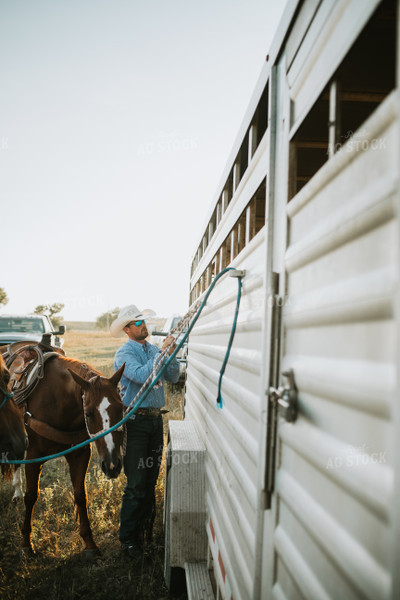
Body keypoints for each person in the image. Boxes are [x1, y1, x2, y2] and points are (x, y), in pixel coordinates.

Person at [110, 304, 180, 561]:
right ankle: (128, 539)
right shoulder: (124, 353)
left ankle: (143, 531)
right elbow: (143, 376)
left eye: (142, 321)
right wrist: (161, 354)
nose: (142, 325)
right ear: (127, 330)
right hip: (137, 424)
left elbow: (173, 375)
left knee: (150, 480)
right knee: (137, 482)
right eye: (136, 323)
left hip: (153, 422)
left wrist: (171, 352)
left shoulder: (152, 349)